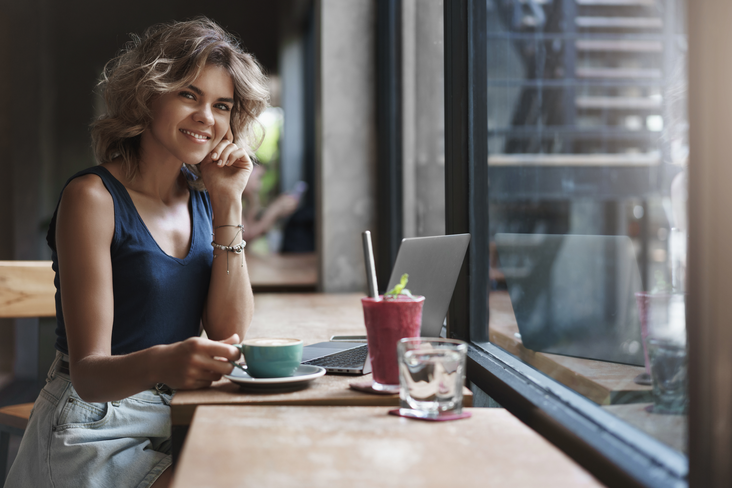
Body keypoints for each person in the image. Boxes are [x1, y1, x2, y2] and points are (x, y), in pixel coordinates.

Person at [6, 17, 268, 488]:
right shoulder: (93, 198)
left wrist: (229, 201)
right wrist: (166, 362)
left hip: (176, 412)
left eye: (222, 105)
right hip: (93, 426)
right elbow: (88, 375)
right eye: (189, 94)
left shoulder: (207, 199)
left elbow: (230, 333)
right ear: (150, 95)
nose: (207, 117)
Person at [240, 164, 300, 243]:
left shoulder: (245, 200)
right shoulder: (231, 197)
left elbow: (250, 229)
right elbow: (245, 236)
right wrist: (275, 210)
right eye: (258, 178)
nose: (259, 185)